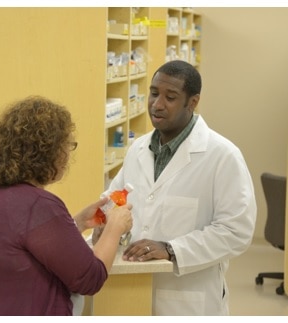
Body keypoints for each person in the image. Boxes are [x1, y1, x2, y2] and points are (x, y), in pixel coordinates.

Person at [93, 60, 257, 315]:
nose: (157, 104)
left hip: (189, 297)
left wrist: (171, 250)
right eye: (154, 93)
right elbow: (117, 196)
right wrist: (102, 219)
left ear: (192, 102)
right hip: (133, 290)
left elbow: (236, 231)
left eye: (170, 97)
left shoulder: (222, 155)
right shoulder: (138, 149)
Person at [0, 95, 132, 316]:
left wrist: (76, 223)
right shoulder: (39, 205)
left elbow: (27, 245)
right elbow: (90, 279)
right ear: (47, 151)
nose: (67, 154)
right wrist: (115, 227)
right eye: (66, 146)